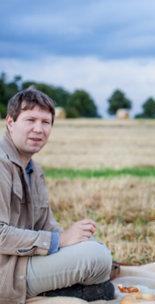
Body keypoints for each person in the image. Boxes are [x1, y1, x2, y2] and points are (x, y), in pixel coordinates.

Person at [0, 87, 116, 304]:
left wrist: (76, 241)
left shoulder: (34, 170)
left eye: (46, 122)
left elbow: (46, 225)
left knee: (95, 249)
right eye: (30, 120)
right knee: (96, 258)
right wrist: (61, 240)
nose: (38, 129)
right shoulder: (1, 164)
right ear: (10, 122)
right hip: (7, 271)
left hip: (24, 259)